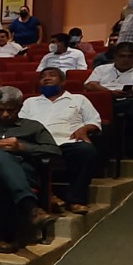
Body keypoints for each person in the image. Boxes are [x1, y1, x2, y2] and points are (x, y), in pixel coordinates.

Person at [0, 87, 61, 253]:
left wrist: (22, 147)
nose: (5, 114)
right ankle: (31, 209)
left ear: (19, 107)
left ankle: (5, 237)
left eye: (10, 110)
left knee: (3, 176)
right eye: (0, 110)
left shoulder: (32, 126)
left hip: (24, 174)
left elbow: (54, 151)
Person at [21, 68, 102, 214]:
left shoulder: (78, 99)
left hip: (67, 141)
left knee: (86, 151)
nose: (47, 78)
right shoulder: (30, 102)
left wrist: (84, 129)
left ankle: (75, 200)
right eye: (43, 77)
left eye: (52, 75)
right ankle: (48, 197)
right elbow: (21, 124)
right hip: (38, 143)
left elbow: (94, 121)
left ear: (63, 81)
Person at [85, 41, 133, 159]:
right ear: (115, 56)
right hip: (106, 101)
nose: (125, 59)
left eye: (129, 56)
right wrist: (109, 93)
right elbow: (90, 85)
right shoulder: (102, 69)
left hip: (130, 101)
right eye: (122, 56)